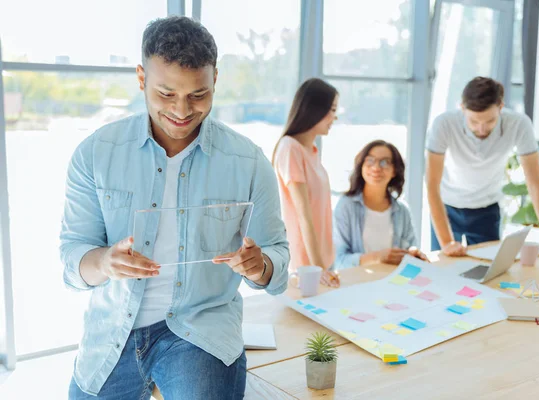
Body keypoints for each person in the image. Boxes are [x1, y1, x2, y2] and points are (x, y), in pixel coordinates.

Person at [60, 16, 289, 399]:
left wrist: (259, 265)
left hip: (200, 332)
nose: (182, 110)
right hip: (112, 332)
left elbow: (278, 262)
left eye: (198, 95)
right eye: (166, 94)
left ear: (215, 78)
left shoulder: (248, 162)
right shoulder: (95, 154)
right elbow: (72, 259)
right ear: (141, 78)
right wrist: (104, 262)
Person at [426, 76, 539, 263]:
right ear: (462, 108)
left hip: (487, 210)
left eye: (489, 121)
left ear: (500, 107)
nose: (481, 128)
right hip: (446, 207)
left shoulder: (519, 124)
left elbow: (535, 184)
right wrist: (446, 243)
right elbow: (431, 185)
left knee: (488, 273)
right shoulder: (443, 124)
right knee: (442, 270)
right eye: (474, 121)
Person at [272, 78, 340, 288]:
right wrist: (318, 268)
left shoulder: (312, 152)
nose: (334, 117)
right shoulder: (290, 149)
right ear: (315, 109)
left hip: (322, 261)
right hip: (305, 266)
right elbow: (303, 215)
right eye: (332, 110)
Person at [333, 140, 427, 270]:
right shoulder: (346, 206)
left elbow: (410, 247)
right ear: (361, 166)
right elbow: (338, 261)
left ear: (394, 170)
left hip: (392, 283)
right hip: (357, 284)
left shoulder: (402, 210)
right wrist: (377, 257)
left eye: (385, 162)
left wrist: (413, 253)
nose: (376, 168)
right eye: (370, 160)